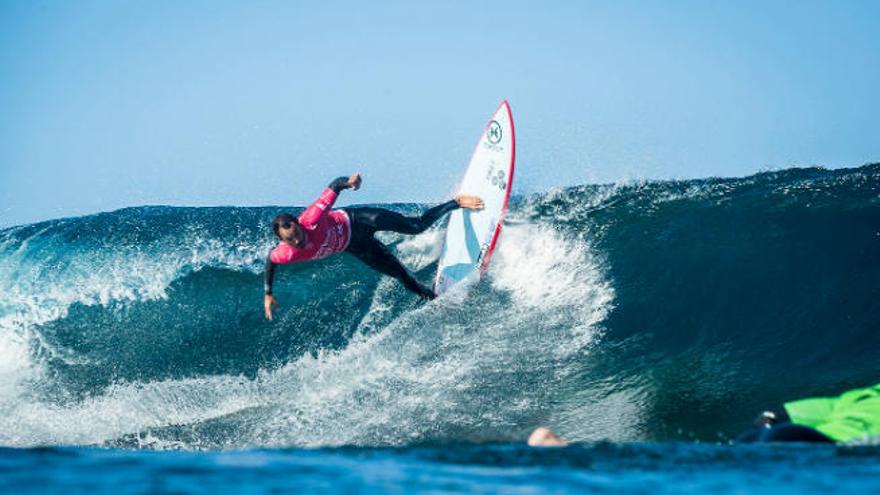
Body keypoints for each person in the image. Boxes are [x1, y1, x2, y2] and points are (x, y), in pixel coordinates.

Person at [263, 173, 483, 320]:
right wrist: (268, 293)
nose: (298, 241)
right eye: (291, 240)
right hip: (355, 245)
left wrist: (349, 182)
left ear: (300, 224)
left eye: (298, 234)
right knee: (402, 276)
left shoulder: (312, 217)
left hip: (357, 220)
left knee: (415, 226)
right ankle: (438, 302)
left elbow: (334, 186)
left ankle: (456, 202)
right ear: (283, 240)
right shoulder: (285, 253)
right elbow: (271, 262)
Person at [737, 382, 880, 444]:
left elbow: (769, 416)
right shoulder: (864, 395)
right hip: (828, 448)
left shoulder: (862, 396)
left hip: (809, 442)